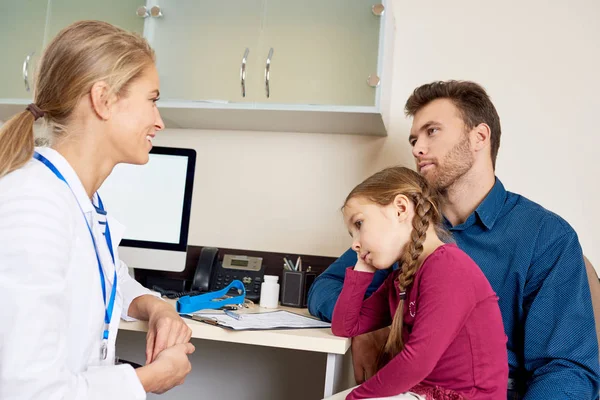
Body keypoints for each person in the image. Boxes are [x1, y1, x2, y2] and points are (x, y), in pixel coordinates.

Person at [309, 80, 600, 399]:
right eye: (414, 138)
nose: (417, 148)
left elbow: (566, 370)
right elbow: (325, 288)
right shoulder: (404, 229)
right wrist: (372, 327)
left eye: (432, 131)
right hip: (411, 389)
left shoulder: (546, 237)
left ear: (479, 137)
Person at [0, 21, 195, 399]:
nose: (159, 121)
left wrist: (158, 308)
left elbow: (107, 277)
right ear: (103, 99)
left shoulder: (78, 199)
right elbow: (28, 391)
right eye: (152, 100)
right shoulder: (33, 206)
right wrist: (148, 380)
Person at [330, 166, 507, 399]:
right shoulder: (401, 279)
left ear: (401, 209)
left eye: (359, 225)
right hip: (423, 392)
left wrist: (356, 398)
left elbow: (417, 360)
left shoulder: (449, 267)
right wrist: (362, 267)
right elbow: (345, 326)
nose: (355, 242)